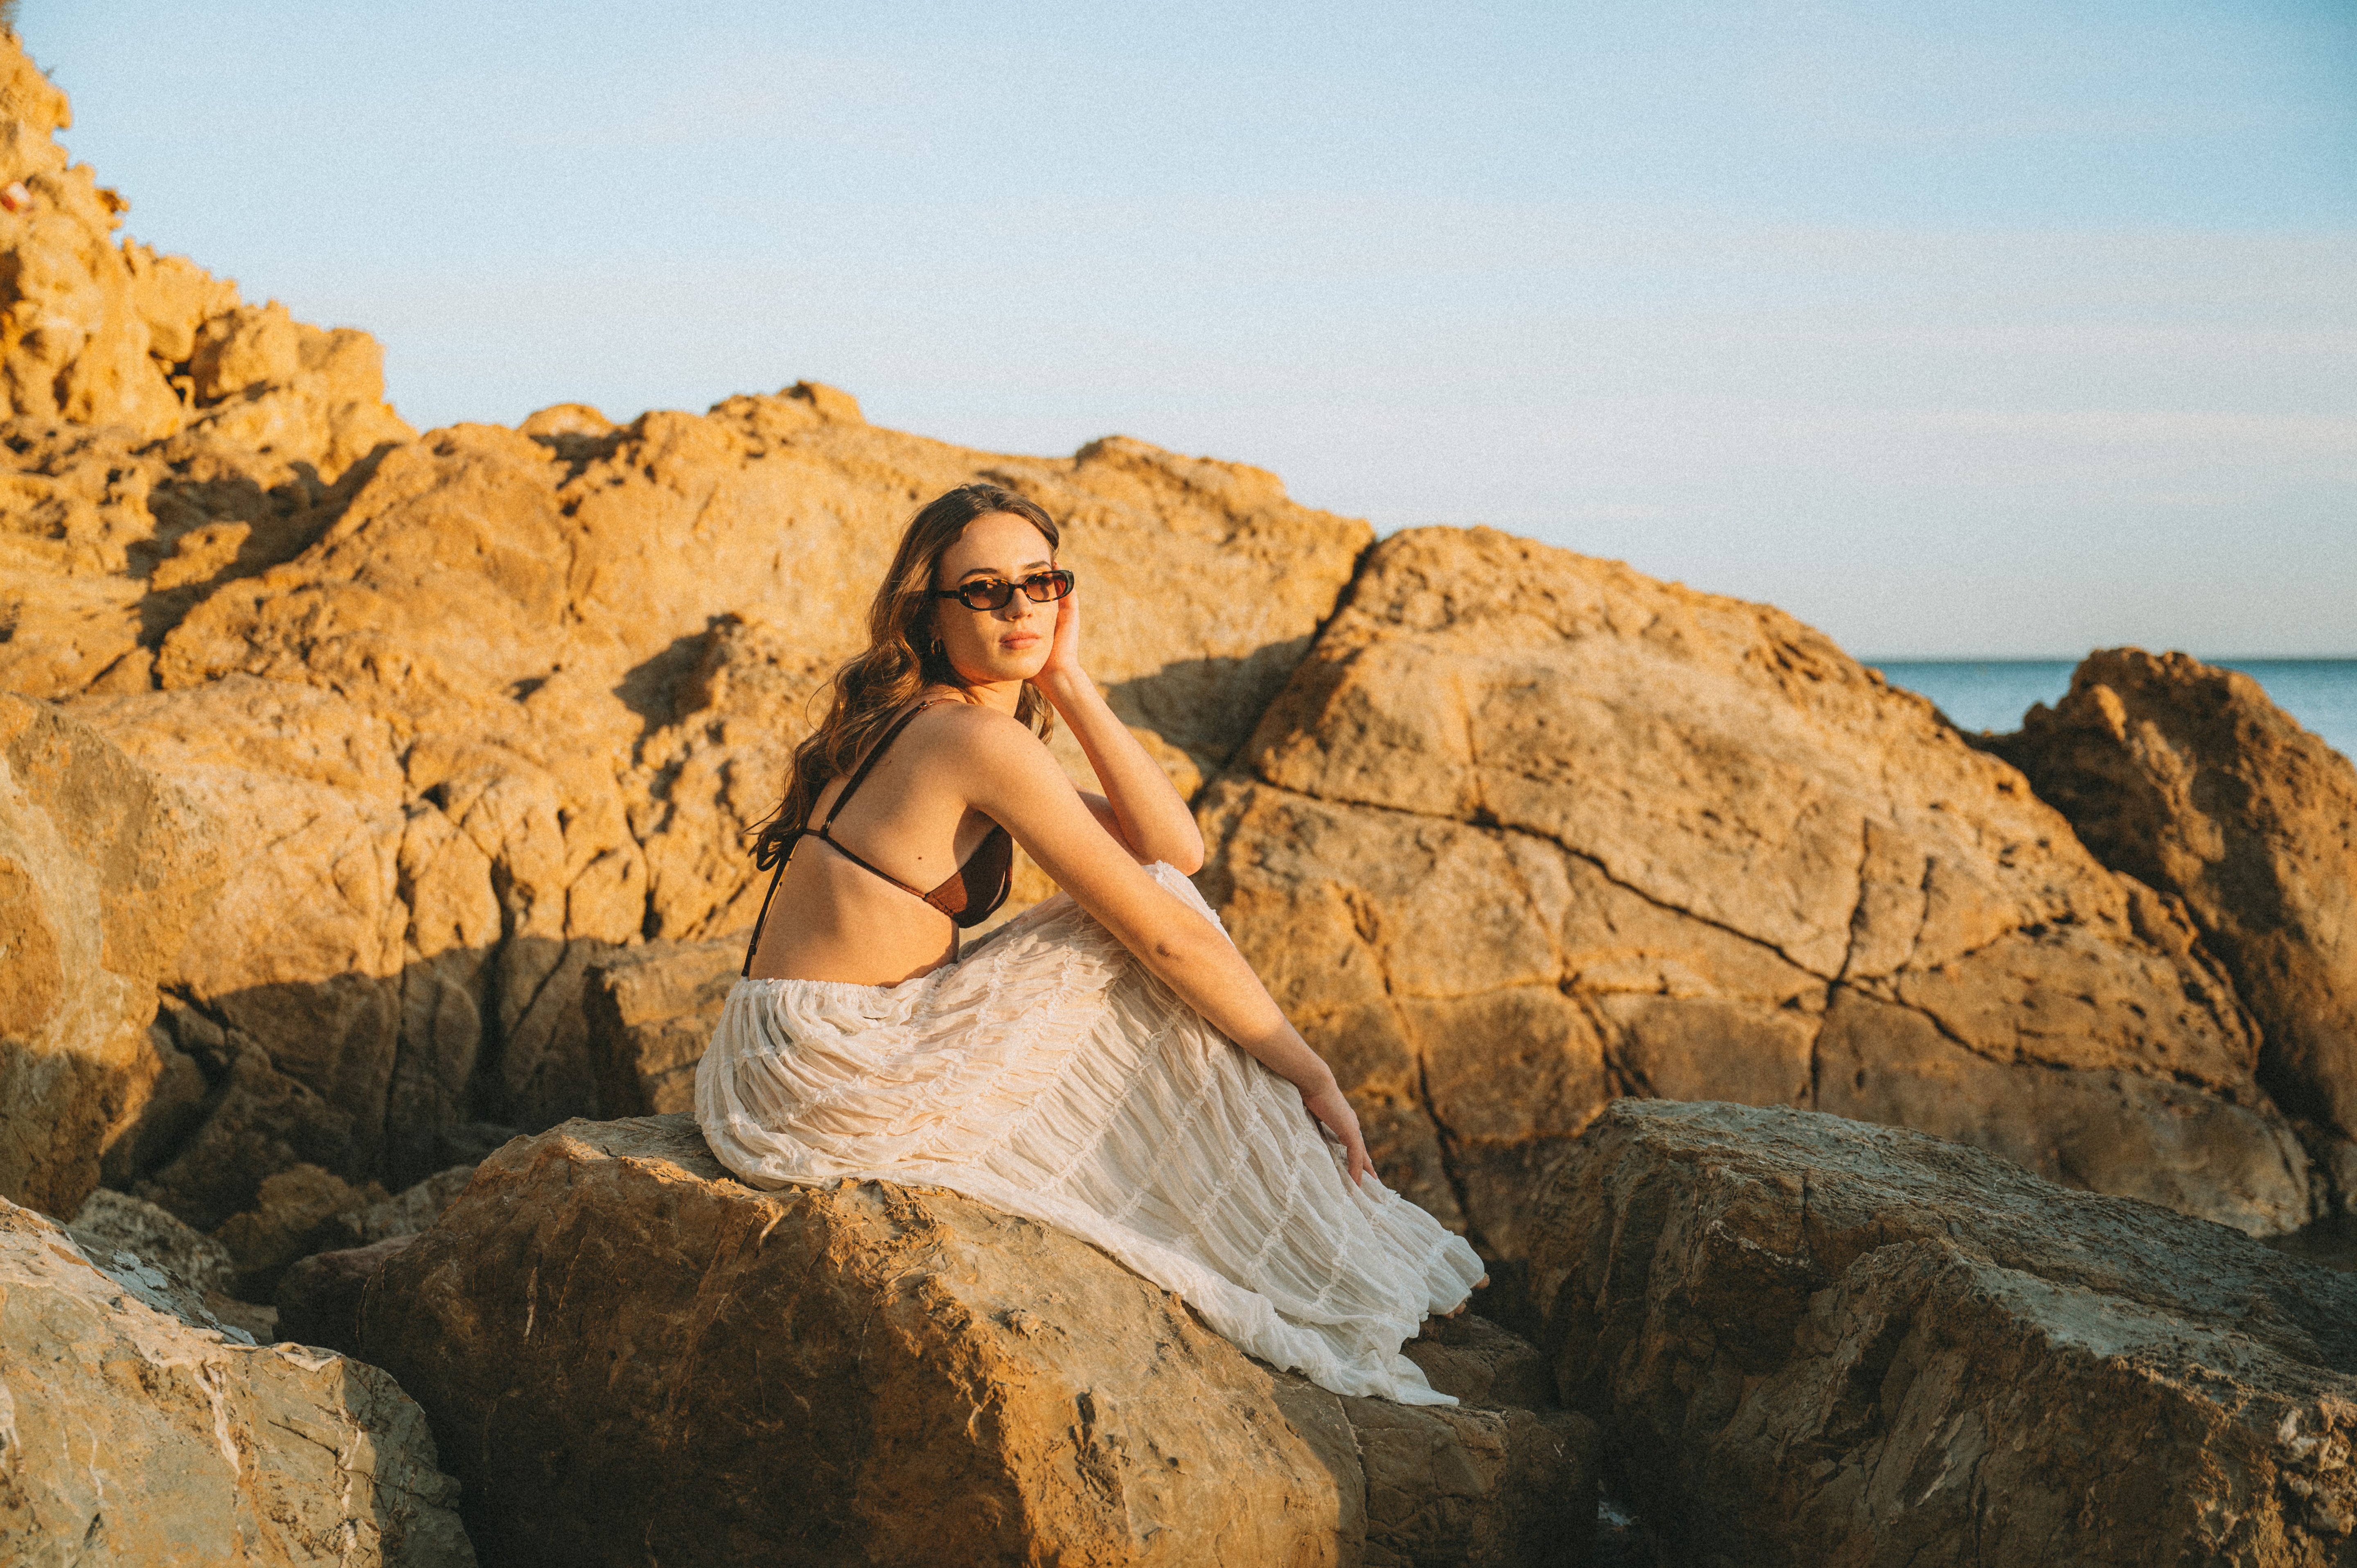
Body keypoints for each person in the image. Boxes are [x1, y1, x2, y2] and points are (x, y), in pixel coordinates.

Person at [694, 482, 1486, 1404]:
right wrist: (1311, 1073)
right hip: (832, 1068)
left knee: (1153, 896)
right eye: (985, 590)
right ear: (928, 613)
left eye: (1042, 583)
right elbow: (1166, 929)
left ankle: (1268, 1216)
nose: (1021, 607)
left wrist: (1067, 680)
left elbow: (1172, 845)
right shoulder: (969, 738)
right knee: (1148, 927)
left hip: (781, 1047)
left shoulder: (938, 721)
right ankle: (1294, 1231)